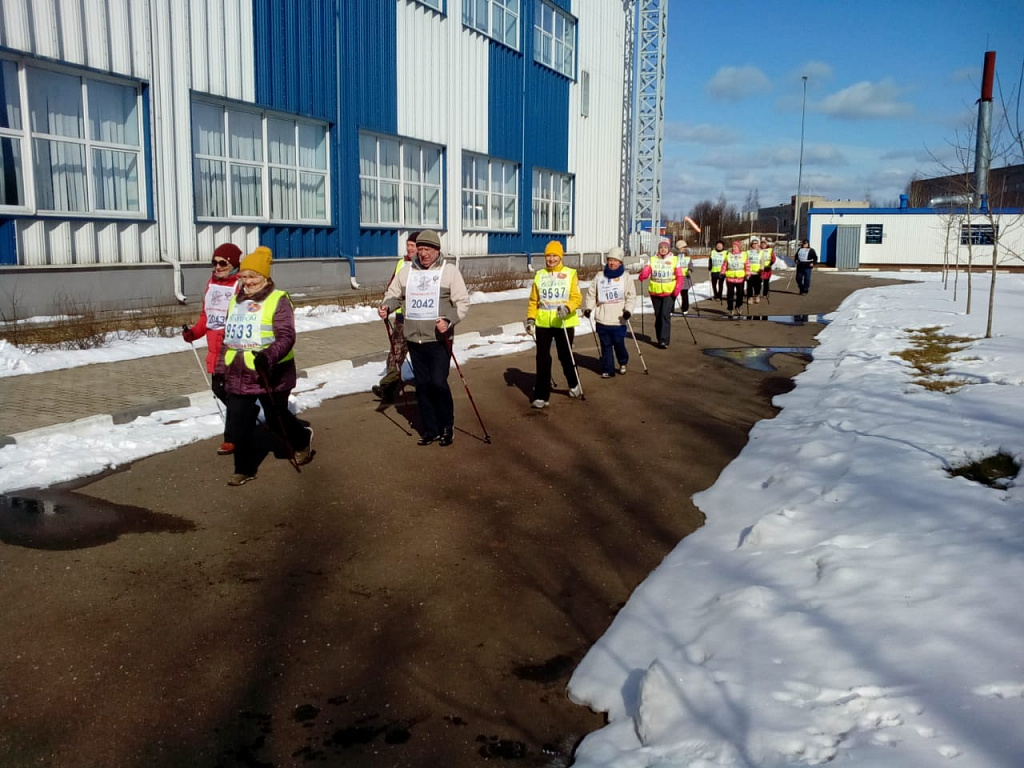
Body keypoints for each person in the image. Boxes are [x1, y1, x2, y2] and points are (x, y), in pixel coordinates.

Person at [218, 246, 314, 486]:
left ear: (264, 276)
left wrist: (267, 356)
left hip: (271, 371)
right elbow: (228, 338)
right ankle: (244, 469)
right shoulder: (236, 301)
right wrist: (220, 370)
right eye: (244, 276)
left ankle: (301, 439)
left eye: (252, 276)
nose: (247, 281)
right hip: (239, 371)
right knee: (239, 421)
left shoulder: (277, 300)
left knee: (276, 418)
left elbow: (286, 336)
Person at [379, 229, 469, 446]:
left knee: (438, 383)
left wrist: (448, 320)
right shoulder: (407, 271)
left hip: (438, 339)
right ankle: (430, 429)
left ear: (437, 250)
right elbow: (393, 294)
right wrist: (387, 307)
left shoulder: (449, 271)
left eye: (428, 249)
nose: (423, 253)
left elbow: (462, 302)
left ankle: (446, 426)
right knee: (423, 385)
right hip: (414, 338)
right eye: (420, 249)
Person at [182, 243, 242, 455]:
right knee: (219, 390)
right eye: (214, 262)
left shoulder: (241, 285)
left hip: (234, 350)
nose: (217, 267)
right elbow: (206, 317)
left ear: (233, 264)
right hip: (214, 351)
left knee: (233, 395)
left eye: (222, 263)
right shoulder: (212, 283)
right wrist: (193, 333)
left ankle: (232, 438)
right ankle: (246, 416)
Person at [524, 240, 582, 408]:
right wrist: (531, 319)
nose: (551, 259)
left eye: (554, 256)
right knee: (542, 357)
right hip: (543, 322)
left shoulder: (570, 273)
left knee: (565, 355)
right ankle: (541, 395)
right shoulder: (539, 275)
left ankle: (574, 383)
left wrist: (567, 308)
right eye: (548, 256)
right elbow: (533, 300)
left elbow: (576, 298)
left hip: (563, 321)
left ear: (560, 257)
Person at [373, 231, 419, 402]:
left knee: (420, 355)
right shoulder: (401, 263)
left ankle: (426, 388)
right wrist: (387, 306)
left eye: (412, 246)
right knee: (395, 353)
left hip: (420, 319)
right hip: (401, 318)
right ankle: (388, 388)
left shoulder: (426, 266)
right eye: (408, 245)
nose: (409, 249)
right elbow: (392, 288)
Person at [583, 246, 636, 378]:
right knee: (605, 345)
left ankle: (623, 361)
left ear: (620, 262)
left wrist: (628, 310)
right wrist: (589, 308)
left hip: (618, 319)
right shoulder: (600, 276)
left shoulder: (626, 277)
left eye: (615, 260)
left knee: (618, 343)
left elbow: (631, 296)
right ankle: (608, 369)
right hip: (602, 318)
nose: (612, 263)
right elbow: (592, 294)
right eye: (610, 260)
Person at [637, 236, 683, 348]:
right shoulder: (653, 259)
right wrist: (643, 274)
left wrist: (677, 289)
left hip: (669, 292)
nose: (663, 249)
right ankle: (660, 338)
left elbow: (680, 276)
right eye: (661, 247)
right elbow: (647, 270)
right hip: (655, 292)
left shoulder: (674, 259)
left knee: (664, 315)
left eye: (665, 247)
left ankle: (664, 340)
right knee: (658, 316)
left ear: (669, 249)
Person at [723, 240, 749, 318]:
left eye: (735, 246)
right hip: (730, 278)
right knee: (730, 294)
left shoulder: (744, 255)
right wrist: (722, 273)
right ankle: (730, 308)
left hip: (740, 277)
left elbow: (747, 265)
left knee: (740, 294)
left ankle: (738, 306)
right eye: (733, 246)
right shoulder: (728, 255)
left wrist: (748, 274)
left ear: (739, 247)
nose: (734, 248)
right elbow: (724, 265)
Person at [675, 239, 693, 315]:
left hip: (685, 277)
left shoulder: (687, 256)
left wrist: (690, 270)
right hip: (676, 277)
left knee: (684, 294)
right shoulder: (674, 256)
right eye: (683, 247)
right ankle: (670, 309)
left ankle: (685, 308)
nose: (685, 248)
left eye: (685, 247)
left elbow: (690, 264)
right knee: (674, 294)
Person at [745, 237, 763, 304]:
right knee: (749, 285)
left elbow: (762, 261)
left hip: (758, 272)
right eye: (753, 243)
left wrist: (761, 269)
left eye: (756, 243)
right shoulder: (748, 252)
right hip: (750, 272)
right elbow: (745, 261)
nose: (754, 245)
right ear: (751, 244)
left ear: (758, 244)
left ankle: (757, 295)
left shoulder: (761, 252)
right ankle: (750, 297)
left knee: (757, 285)